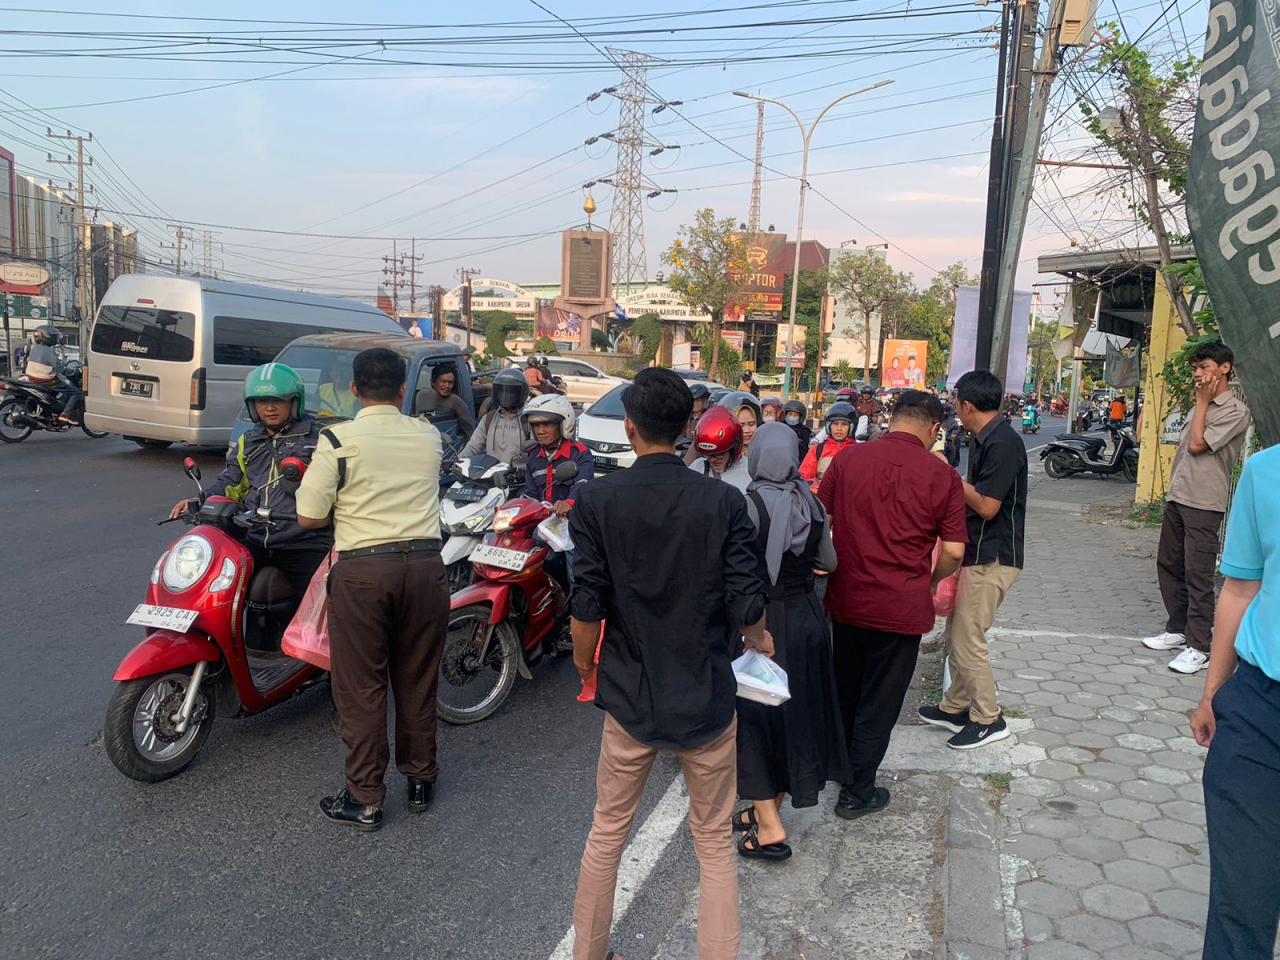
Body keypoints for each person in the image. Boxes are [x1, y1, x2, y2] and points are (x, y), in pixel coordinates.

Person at [566, 367, 771, 960]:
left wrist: (587, 670)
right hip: (707, 692)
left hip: (630, 692)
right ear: (687, 427)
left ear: (629, 427)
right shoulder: (724, 501)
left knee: (608, 831)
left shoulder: (597, 499)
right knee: (713, 842)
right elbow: (747, 603)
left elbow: (587, 603)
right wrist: (760, 640)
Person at [296, 347, 448, 832]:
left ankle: (365, 798)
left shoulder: (337, 438)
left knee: (361, 689)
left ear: (354, 389)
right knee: (417, 679)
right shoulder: (429, 437)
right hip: (426, 568)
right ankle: (421, 780)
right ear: (403, 390)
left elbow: (309, 515)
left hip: (364, 572)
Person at [819, 391, 967, 817]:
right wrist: (929, 580)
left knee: (846, 690)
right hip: (901, 608)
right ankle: (856, 792)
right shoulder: (942, 477)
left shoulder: (848, 460)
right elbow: (954, 552)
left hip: (847, 598)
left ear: (892, 419)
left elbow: (818, 521)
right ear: (934, 429)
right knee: (879, 703)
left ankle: (842, 769)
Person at [734, 422, 847, 860]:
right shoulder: (812, 504)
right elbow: (829, 561)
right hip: (807, 622)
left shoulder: (748, 506)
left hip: (761, 626)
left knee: (754, 719)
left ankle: (770, 826)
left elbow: (736, 571)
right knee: (794, 715)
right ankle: (768, 810)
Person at [1189, 444, 1280, 959]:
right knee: (1242, 902)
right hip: (1259, 711)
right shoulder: (1266, 471)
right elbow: (1241, 587)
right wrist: (1213, 696)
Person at [922, 370, 1026, 749]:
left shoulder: (1002, 443)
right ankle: (955, 707)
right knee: (956, 633)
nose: (954, 410)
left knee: (968, 637)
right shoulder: (983, 438)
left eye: (955, 403)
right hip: (979, 551)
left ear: (967, 405)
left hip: (995, 555)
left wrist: (947, 477)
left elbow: (986, 505)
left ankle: (989, 718)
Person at [168, 363, 331, 605]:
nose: (270, 407)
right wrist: (200, 501)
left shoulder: (320, 437)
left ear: (295, 401)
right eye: (262, 401)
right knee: (220, 596)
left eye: (278, 400)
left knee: (315, 610)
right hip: (256, 539)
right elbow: (232, 482)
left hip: (304, 543)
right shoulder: (249, 441)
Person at [1142, 343, 1250, 674]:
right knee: (1169, 564)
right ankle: (1177, 629)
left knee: (1198, 573)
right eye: (1195, 368)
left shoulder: (1234, 411)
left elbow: (1197, 445)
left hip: (1204, 502)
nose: (1197, 374)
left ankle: (1199, 646)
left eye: (1203, 367)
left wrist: (1202, 403)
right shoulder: (1197, 407)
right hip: (1179, 496)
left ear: (1225, 368)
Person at [519, 393, 593, 514]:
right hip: (541, 522)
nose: (540, 431)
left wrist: (569, 503)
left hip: (570, 522)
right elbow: (530, 493)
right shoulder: (533, 455)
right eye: (536, 425)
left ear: (563, 425)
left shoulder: (580, 454)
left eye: (546, 424)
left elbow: (582, 486)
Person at [461, 367, 532, 463]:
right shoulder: (489, 419)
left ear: (523, 392)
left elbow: (536, 452)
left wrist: (524, 470)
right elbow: (473, 447)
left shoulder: (529, 421)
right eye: (502, 391)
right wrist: (458, 460)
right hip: (491, 475)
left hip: (517, 476)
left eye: (511, 392)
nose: (506, 396)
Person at [689, 405, 750, 494]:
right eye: (708, 455)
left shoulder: (749, 472)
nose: (713, 459)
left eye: (719, 454)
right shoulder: (698, 467)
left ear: (735, 447)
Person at [800, 402, 856, 490]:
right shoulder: (818, 449)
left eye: (844, 424)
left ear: (852, 427)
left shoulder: (857, 451)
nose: (839, 428)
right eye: (835, 424)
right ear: (829, 426)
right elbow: (804, 477)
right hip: (821, 498)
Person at [415, 364, 475, 441]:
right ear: (433, 382)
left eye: (450, 383)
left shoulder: (455, 401)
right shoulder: (421, 398)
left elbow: (468, 426)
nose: (447, 386)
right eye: (443, 381)